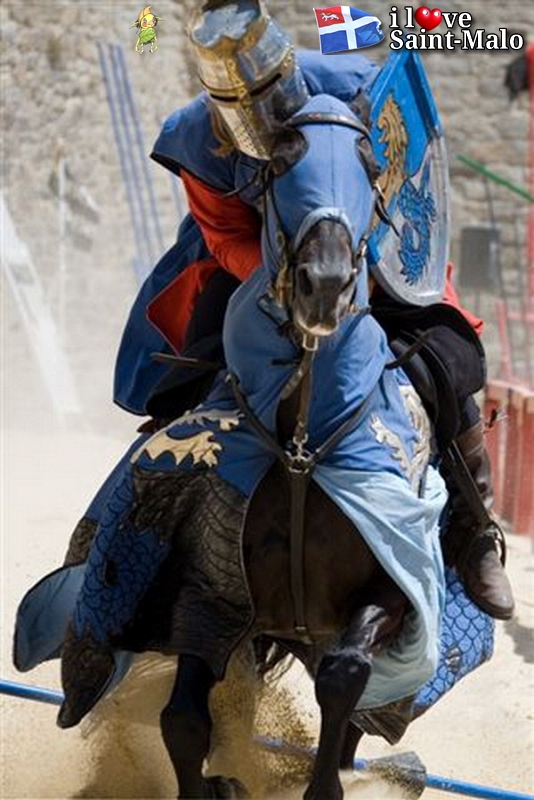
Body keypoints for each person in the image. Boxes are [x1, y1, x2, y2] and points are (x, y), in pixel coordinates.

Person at [112, 0, 513, 620]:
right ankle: (155, 529)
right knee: (188, 366)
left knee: (448, 356)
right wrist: (284, 272)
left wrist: (356, 265)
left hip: (372, 247)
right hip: (261, 259)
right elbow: (223, 232)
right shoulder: (199, 135)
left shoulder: (359, 95)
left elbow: (406, 188)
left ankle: (473, 527)